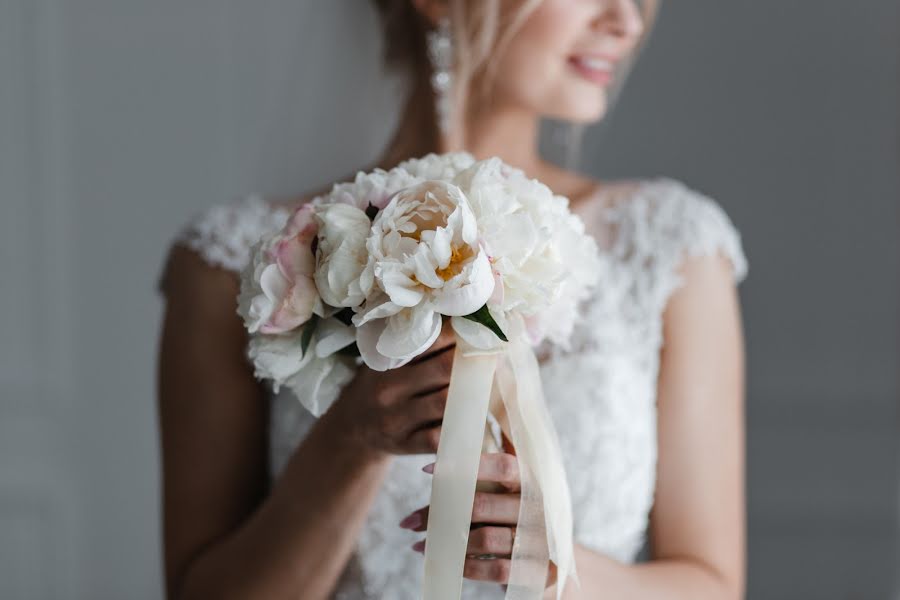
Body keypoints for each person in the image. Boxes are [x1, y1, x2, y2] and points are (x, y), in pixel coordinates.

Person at [156, 1, 749, 598]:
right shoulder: (241, 265)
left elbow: (713, 585)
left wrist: (560, 570)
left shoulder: (671, 246)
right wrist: (349, 441)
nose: (626, 20)